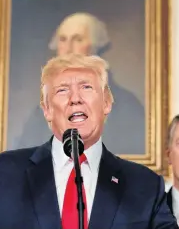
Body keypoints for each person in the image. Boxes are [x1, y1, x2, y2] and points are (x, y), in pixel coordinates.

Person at [0, 54, 179, 229]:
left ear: (106, 103)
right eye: (62, 91)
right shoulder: (0, 174)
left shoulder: (144, 185)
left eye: (86, 87)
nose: (75, 99)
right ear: (46, 110)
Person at [19, 12, 145, 155]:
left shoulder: (126, 104)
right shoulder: (42, 110)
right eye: (63, 39)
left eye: (78, 39)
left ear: (96, 46)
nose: (68, 47)